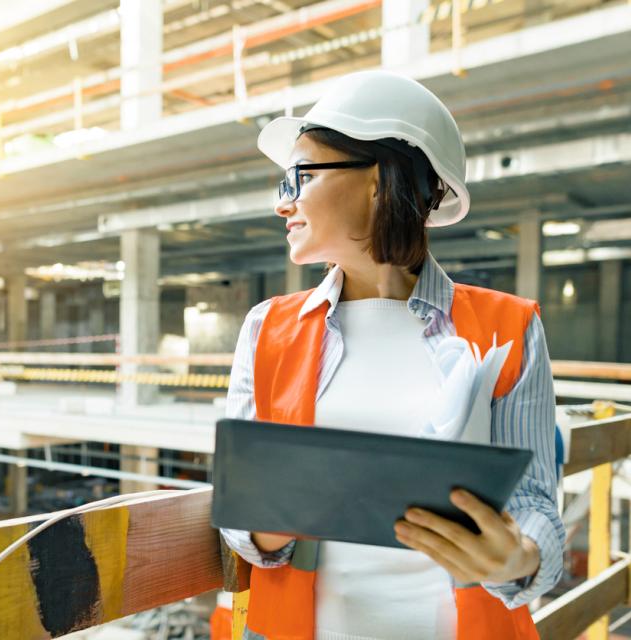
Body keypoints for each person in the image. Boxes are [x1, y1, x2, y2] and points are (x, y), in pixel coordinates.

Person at [219, 70, 564, 640]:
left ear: (379, 180)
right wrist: (273, 518)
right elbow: (238, 525)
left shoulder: (512, 327)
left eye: (298, 178)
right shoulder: (266, 329)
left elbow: (534, 506)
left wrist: (518, 557)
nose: (283, 204)